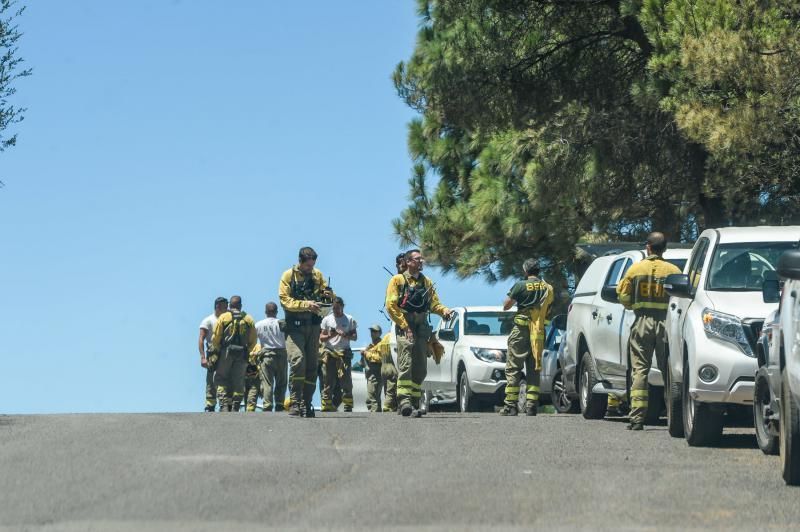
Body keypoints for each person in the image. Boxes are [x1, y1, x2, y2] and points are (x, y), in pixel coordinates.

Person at [616, 232, 681, 430]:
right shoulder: (674, 270)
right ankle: (675, 417)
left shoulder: (635, 269)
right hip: (666, 324)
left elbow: (623, 296)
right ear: (665, 248)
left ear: (648, 247)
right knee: (669, 371)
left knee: (640, 371)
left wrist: (633, 304)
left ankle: (637, 419)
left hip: (642, 322)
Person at [385, 249, 452, 417]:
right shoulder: (397, 280)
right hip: (405, 327)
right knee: (406, 364)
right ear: (408, 262)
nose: (421, 261)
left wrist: (444, 311)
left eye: (421, 259)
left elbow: (434, 304)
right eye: (417, 259)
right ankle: (404, 401)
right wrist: (405, 326)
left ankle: (413, 403)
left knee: (421, 368)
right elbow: (391, 306)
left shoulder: (426, 282)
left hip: (421, 328)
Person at [278, 246, 333, 417]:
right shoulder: (288, 276)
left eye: (313, 265)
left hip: (314, 326)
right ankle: (295, 401)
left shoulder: (318, 276)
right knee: (297, 361)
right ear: (300, 262)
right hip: (294, 327)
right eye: (308, 266)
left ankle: (306, 402)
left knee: (311, 365)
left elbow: (328, 295)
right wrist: (306, 304)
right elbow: (285, 301)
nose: (311, 269)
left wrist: (328, 296)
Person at [499, 258, 554, 416]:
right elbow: (549, 308)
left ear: (525, 271)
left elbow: (506, 305)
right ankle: (531, 406)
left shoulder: (520, 285)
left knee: (513, 368)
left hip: (521, 331)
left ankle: (510, 406)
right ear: (539, 271)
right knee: (534, 368)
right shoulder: (547, 288)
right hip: (538, 332)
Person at [211, 295, 257, 412]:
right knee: (239, 381)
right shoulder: (248, 319)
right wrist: (248, 351)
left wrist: (216, 352)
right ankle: (236, 406)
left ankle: (224, 405)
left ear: (229, 306)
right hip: (242, 353)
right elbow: (253, 340)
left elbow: (216, 337)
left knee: (221, 378)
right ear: (241, 306)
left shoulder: (223, 317)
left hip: (225, 353)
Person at [319, 297, 358, 412]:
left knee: (346, 381)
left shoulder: (349, 319)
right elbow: (322, 338)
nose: (336, 310)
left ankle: (348, 405)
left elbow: (355, 337)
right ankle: (326, 405)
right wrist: (332, 335)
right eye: (334, 308)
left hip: (343, 354)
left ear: (342, 307)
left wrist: (346, 335)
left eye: (338, 308)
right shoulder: (327, 320)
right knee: (328, 380)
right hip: (330, 353)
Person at [254, 302, 288, 412]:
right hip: (282, 355)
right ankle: (279, 404)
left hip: (267, 355)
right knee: (281, 382)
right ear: (276, 312)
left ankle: (267, 405)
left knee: (267, 382)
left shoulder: (259, 325)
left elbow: (253, 340)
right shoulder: (282, 324)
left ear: (265, 312)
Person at [198, 297, 228, 412]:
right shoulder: (208, 321)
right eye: (225, 306)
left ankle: (224, 404)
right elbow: (201, 338)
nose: (227, 308)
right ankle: (210, 404)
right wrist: (202, 357)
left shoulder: (228, 319)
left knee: (225, 378)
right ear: (217, 306)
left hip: (226, 353)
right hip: (213, 354)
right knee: (211, 379)